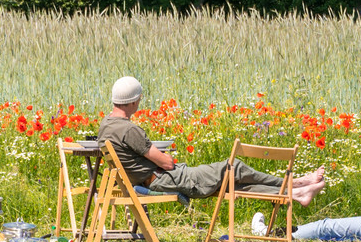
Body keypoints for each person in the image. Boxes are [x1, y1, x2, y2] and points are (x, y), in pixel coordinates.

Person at [97, 76, 328, 203]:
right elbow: (166, 163)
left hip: (153, 179)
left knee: (233, 185)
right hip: (164, 179)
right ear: (135, 101)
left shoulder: (106, 126)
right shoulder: (130, 130)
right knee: (234, 167)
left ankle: (295, 193)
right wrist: (166, 157)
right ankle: (295, 183)